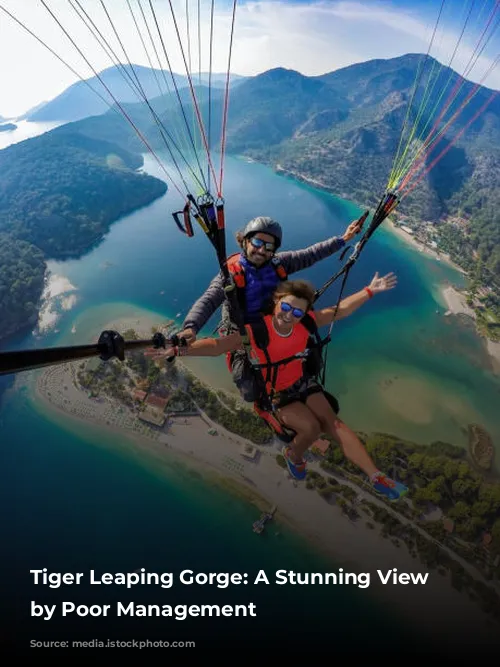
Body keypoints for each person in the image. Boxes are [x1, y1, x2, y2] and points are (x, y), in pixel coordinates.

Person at [152, 273, 408, 501]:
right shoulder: (257, 330)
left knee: (333, 423)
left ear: (304, 314)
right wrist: (179, 349)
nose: (289, 315)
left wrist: (370, 290)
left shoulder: (306, 323)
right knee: (311, 429)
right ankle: (293, 455)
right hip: (275, 392)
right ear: (276, 303)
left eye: (297, 312)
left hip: (301, 381)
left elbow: (339, 311)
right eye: (285, 307)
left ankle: (375, 477)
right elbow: (217, 346)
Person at [176, 215, 364, 401]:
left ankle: (295, 382)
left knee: (311, 357)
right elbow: (208, 300)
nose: (261, 250)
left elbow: (311, 254)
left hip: (275, 324)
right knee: (250, 388)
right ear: (246, 241)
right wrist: (191, 327)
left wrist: (343, 239)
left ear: (274, 250)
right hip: (245, 333)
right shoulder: (230, 274)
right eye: (257, 242)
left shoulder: (279, 263)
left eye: (268, 246)